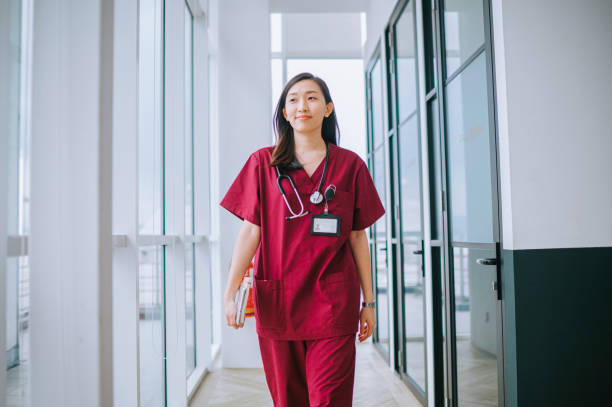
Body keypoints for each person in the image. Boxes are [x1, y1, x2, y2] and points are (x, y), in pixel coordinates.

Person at [220, 72, 385, 407]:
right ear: (284, 112)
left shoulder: (350, 165)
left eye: (311, 97)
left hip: (333, 302)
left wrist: (369, 303)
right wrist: (230, 293)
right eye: (292, 99)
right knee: (288, 401)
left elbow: (357, 236)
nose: (301, 106)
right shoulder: (261, 164)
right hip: (279, 301)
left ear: (327, 109)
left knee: (329, 399)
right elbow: (251, 232)